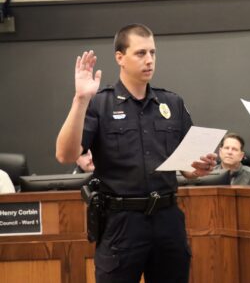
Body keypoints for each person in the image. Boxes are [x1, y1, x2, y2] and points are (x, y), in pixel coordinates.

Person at [55, 23, 216, 283]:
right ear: (120, 57)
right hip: (122, 222)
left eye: (153, 52)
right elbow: (65, 154)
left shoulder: (171, 103)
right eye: (140, 53)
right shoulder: (99, 103)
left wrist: (198, 168)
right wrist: (80, 100)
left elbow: (187, 166)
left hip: (167, 219)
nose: (149, 60)